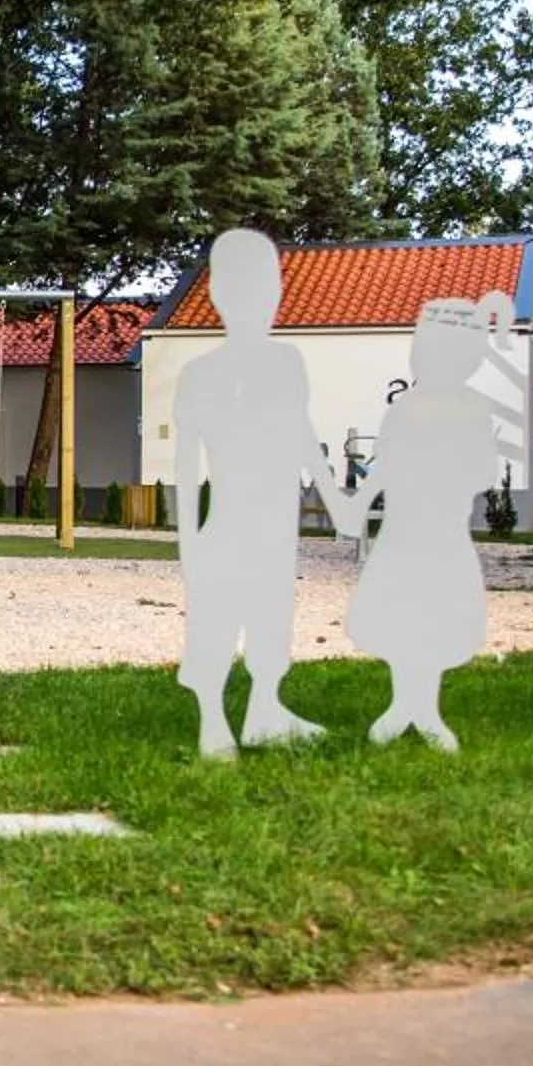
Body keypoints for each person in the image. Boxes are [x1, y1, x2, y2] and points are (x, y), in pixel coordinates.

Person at [172, 229, 357, 758]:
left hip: (275, 524)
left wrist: (335, 496)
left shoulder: (286, 363)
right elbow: (187, 466)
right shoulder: (201, 374)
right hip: (229, 520)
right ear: (221, 295)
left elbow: (302, 435)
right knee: (216, 615)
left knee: (271, 615)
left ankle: (263, 709)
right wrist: (188, 541)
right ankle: (212, 719)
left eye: (271, 283)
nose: (265, 297)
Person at [343, 294, 519, 751]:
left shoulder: (472, 410)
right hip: (405, 530)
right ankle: (406, 703)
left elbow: (482, 471)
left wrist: (441, 470)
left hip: (441, 530)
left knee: (437, 614)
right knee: (405, 613)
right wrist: (360, 499)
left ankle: (424, 707)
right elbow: (384, 464)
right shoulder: (406, 408)